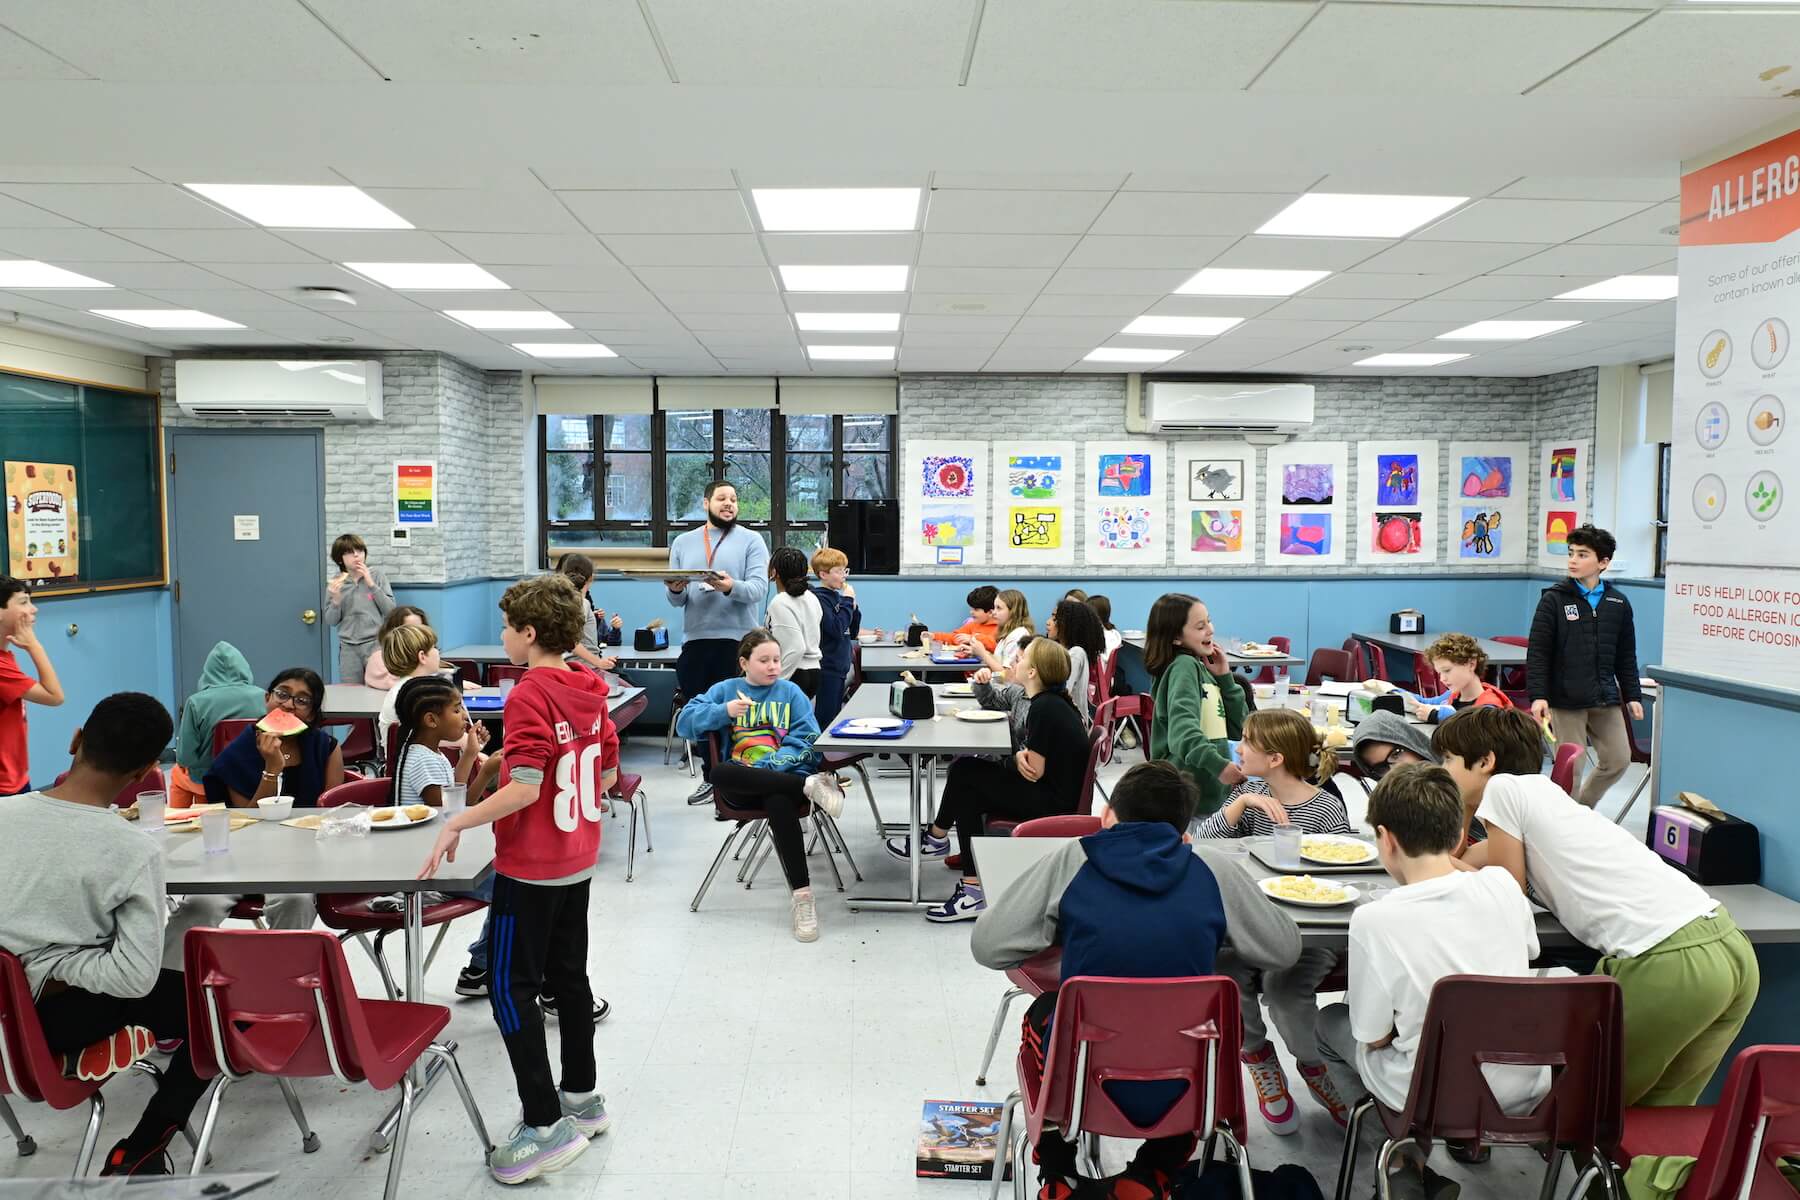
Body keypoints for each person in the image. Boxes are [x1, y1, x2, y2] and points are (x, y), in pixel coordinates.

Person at [972, 761, 1302, 1200]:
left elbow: (988, 947)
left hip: (1082, 1082)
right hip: (1188, 1088)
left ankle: (1056, 1170)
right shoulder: (1213, 868)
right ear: (1185, 827)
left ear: (1109, 815)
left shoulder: (1074, 859)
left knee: (1041, 1014)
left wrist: (1053, 933)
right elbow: (1284, 950)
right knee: (1204, 1029)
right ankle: (1153, 1171)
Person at [1437, 706, 1759, 1106]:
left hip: (1671, 961)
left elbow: (1505, 893)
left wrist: (1428, 853)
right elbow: (1469, 859)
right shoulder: (1545, 799)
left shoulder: (1504, 789)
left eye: (1447, 759)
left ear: (1486, 762)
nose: (1443, 771)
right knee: (1654, 1118)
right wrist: (1464, 812)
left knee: (1580, 1108)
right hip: (1729, 948)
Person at [419, 574, 619, 1184]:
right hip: (578, 861)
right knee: (569, 976)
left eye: (507, 627)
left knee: (510, 987)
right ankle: (581, 1100)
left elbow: (527, 788)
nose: (503, 636)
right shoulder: (590, 685)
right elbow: (605, 779)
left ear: (529, 635)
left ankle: (541, 1125)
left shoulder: (528, 693)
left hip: (530, 870)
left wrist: (459, 822)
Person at [0, 693, 211, 1177]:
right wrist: (47, 965)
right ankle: (140, 1150)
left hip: (6, 1014)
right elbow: (135, 977)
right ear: (142, 775)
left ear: (76, 739)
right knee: (217, 1011)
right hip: (51, 1019)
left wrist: (28, 964)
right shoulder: (132, 850)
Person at [1316, 762, 1548, 1200]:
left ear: (1385, 840)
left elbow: (1372, 1035)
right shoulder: (1501, 885)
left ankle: (1401, 1160)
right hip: (1521, 1089)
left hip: (1428, 1094)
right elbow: (1530, 953)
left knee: (1330, 1024)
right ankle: (1452, 1148)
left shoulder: (1374, 919)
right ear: (1460, 838)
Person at [1192, 709, 1354, 1134]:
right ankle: (1259, 1058)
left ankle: (1313, 1065)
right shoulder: (1248, 792)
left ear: (1276, 758)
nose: (1238, 749)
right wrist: (1238, 805)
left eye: (1246, 742)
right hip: (1248, 924)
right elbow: (1203, 845)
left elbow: (1343, 876)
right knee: (1224, 972)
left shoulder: (1325, 808)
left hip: (1307, 933)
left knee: (1284, 989)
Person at [885, 638, 1089, 923]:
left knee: (966, 772)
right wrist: (1015, 758)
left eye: (1022, 658)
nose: (1015, 662)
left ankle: (939, 841)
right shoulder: (1047, 702)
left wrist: (1012, 759)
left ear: (1033, 673)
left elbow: (1033, 770)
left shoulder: (1046, 708)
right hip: (1051, 792)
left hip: (1051, 802)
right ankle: (970, 886)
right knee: (968, 783)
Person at [675, 629, 847, 942]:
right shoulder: (726, 690)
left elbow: (808, 740)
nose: (773, 667)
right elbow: (684, 723)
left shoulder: (791, 693)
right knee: (720, 773)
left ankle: (803, 898)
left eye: (777, 660)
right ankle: (808, 785)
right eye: (764, 660)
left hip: (781, 775)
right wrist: (723, 712)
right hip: (743, 781)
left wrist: (771, 767)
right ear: (744, 663)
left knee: (778, 800)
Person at [163, 669, 342, 963]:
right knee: (198, 908)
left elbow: (329, 814)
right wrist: (271, 770)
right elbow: (249, 819)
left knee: (296, 901)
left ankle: (280, 984)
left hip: (303, 858)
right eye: (282, 694)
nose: (287, 705)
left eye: (301, 700)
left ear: (311, 714)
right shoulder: (240, 751)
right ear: (266, 698)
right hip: (240, 855)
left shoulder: (326, 748)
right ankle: (168, 990)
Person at [667, 480, 771, 803]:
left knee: (737, 716)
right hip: (696, 641)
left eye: (734, 499)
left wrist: (729, 587)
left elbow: (758, 590)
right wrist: (673, 588)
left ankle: (737, 780)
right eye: (722, 498)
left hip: (739, 643)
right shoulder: (683, 542)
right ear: (706, 503)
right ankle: (712, 778)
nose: (729, 504)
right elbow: (676, 601)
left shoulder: (752, 541)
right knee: (703, 713)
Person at [1526, 524, 1643, 807]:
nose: (1573, 560)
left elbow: (1626, 655)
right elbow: (1538, 652)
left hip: (1605, 697)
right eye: (1571, 553)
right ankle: (1560, 824)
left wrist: (1633, 695)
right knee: (1571, 767)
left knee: (1618, 759)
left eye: (1582, 554)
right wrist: (1539, 696)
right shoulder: (1553, 600)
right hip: (1565, 699)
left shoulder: (1618, 603)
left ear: (1603, 562)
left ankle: (1580, 812)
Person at [1145, 593, 1247, 818]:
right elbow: (1183, 731)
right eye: (1200, 626)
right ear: (1175, 638)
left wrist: (1225, 679)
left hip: (1205, 799)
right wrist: (1218, 766)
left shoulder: (1202, 671)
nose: (1210, 629)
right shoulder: (1184, 667)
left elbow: (1239, 729)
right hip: (1184, 801)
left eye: (1209, 621)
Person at [170, 641, 266, 807]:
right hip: (255, 777)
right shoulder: (264, 696)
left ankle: (178, 818)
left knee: (177, 773)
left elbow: (185, 757)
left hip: (208, 780)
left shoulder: (195, 702)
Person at [0, 575, 65, 797]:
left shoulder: (5, 656)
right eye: (23, 602)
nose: (33, 609)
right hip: (4, 786)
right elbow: (54, 695)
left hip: (15, 778)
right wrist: (34, 646)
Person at [1384, 632, 1511, 724]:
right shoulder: (1454, 695)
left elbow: (1475, 723)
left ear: (1471, 664)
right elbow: (1425, 702)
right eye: (1439, 673)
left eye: (1447, 671)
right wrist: (1392, 692)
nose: (1442, 679)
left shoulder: (1490, 704)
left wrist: (1435, 715)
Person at [325, 533, 395, 685]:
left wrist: (371, 584)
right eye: (350, 552)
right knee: (351, 690)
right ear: (340, 559)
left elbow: (391, 611)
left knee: (379, 686)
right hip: (348, 647)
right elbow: (330, 621)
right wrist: (336, 601)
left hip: (376, 644)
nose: (356, 555)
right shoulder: (337, 583)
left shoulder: (377, 576)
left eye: (360, 551)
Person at [810, 547, 861, 728]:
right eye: (838, 571)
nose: (843, 576)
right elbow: (836, 628)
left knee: (834, 715)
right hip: (827, 667)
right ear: (823, 574)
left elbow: (852, 631)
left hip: (840, 667)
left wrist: (853, 607)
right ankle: (819, 756)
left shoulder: (839, 598)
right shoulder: (819, 599)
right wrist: (847, 602)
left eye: (844, 570)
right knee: (825, 718)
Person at [765, 546, 823, 697]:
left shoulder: (780, 601)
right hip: (814, 672)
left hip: (794, 674)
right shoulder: (812, 597)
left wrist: (776, 683)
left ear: (774, 573)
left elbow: (796, 648)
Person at [377, 622, 445, 749]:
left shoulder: (402, 689)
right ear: (422, 656)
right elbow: (446, 736)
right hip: (415, 767)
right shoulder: (417, 694)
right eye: (435, 647)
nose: (438, 652)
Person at [557, 553, 623, 675]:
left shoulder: (562, 603)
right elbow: (572, 642)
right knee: (639, 694)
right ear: (591, 577)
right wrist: (598, 662)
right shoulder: (582, 603)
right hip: (587, 669)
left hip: (575, 666)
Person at [1045, 598, 1105, 721]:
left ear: (1068, 625)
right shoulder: (1064, 652)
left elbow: (1062, 691)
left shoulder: (1076, 654)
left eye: (1054, 618)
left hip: (1070, 724)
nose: (1048, 622)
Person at [362, 605, 430, 689]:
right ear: (394, 631)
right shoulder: (379, 658)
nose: (417, 633)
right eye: (409, 629)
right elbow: (400, 685)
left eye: (420, 629)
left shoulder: (426, 654)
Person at [928, 585, 1000, 652]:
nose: (971, 612)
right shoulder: (974, 624)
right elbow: (955, 637)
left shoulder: (1002, 627)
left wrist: (972, 639)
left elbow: (996, 645)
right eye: (971, 608)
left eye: (976, 609)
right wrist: (934, 636)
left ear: (990, 612)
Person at [1086, 593, 1123, 675]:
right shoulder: (1114, 633)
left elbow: (1102, 662)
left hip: (1098, 679)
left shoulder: (1106, 637)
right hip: (1104, 679)